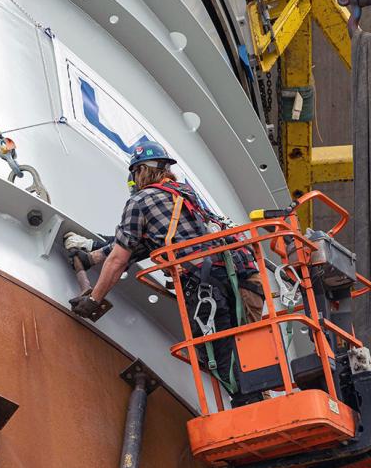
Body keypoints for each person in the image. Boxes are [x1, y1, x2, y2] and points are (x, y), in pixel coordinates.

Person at [64, 140, 263, 385]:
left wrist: (94, 299)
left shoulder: (140, 201)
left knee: (224, 364)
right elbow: (142, 246)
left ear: (140, 171)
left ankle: (247, 408)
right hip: (247, 282)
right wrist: (91, 255)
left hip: (209, 288)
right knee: (252, 359)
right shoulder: (185, 196)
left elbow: (119, 257)